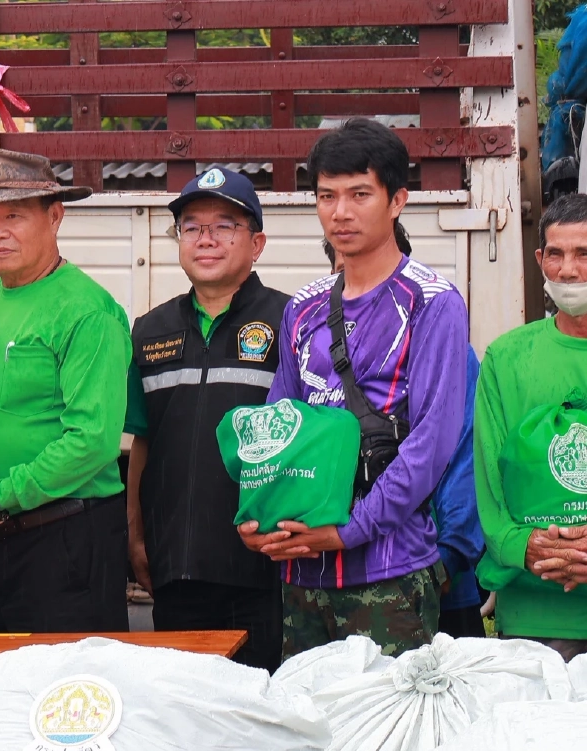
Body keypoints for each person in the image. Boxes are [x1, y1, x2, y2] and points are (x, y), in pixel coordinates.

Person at [239, 118, 468, 658]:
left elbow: (430, 448)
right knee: (313, 733)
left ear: (397, 201)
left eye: (359, 194)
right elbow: (277, 430)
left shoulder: (433, 302)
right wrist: (257, 518)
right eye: (326, 196)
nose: (339, 213)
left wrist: (347, 532)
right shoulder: (303, 307)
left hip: (392, 573)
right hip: (302, 571)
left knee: (390, 736)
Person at [0, 148, 131, 634]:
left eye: (13, 215)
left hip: (65, 541)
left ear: (54, 217)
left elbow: (92, 443)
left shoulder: (86, 311)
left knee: (63, 696)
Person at [125, 167, 288, 672]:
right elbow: (143, 443)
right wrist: (135, 535)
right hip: (177, 568)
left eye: (224, 226)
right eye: (192, 227)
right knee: (184, 714)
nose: (206, 239)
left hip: (262, 567)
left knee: (260, 710)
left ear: (256, 243)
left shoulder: (291, 320)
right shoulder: (150, 331)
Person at [324, 224, 486, 639]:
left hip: (431, 572)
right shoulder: (315, 352)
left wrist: (449, 557)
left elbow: (464, 456)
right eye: (344, 270)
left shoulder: (445, 345)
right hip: (343, 572)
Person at [475, 193, 587, 661]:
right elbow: (487, 483)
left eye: (584, 254)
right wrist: (528, 546)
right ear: (540, 259)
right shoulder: (506, 357)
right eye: (556, 254)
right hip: (534, 617)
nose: (568, 269)